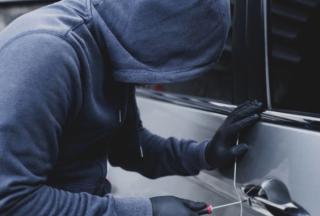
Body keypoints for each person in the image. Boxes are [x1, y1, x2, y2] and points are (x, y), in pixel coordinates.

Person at [0, 0, 263, 215]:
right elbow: (12, 201)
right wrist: (147, 212)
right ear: (153, 33)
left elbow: (131, 148)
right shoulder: (47, 54)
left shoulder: (113, 47)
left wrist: (205, 154)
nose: (159, 80)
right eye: (170, 64)